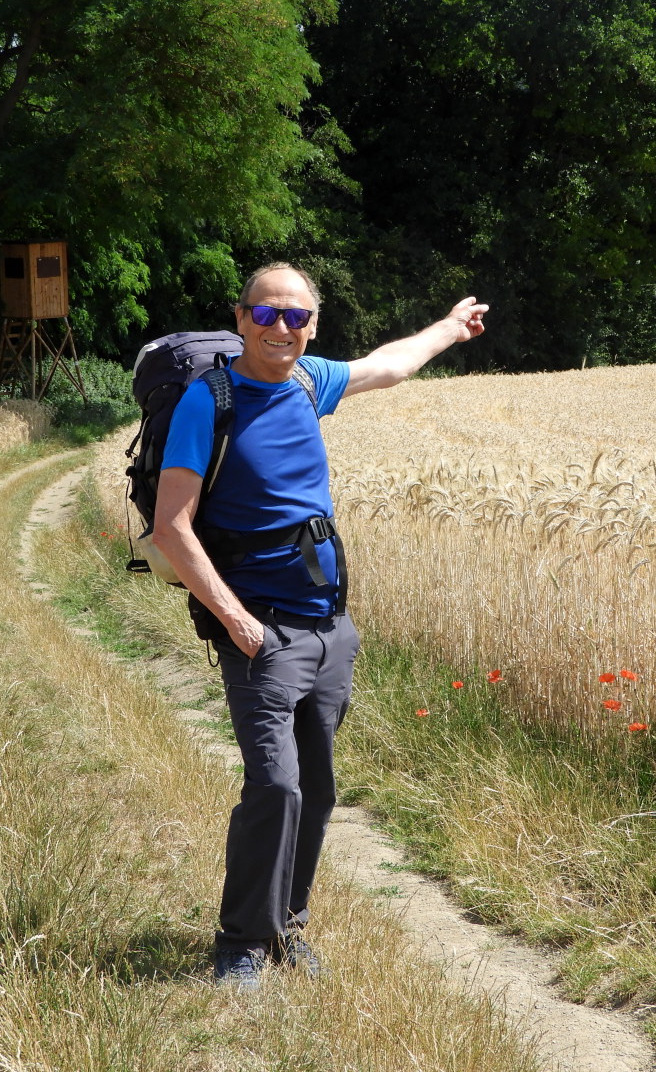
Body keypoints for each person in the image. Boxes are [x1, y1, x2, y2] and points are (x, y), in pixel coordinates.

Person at [150, 261, 487, 991]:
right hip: (260, 633)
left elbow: (389, 366)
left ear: (314, 326)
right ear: (240, 319)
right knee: (275, 786)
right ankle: (241, 944)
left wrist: (450, 329)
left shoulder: (311, 381)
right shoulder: (209, 401)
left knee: (319, 789)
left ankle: (286, 927)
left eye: (296, 316)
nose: (281, 328)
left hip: (330, 629)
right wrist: (236, 621)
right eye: (266, 314)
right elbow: (171, 526)